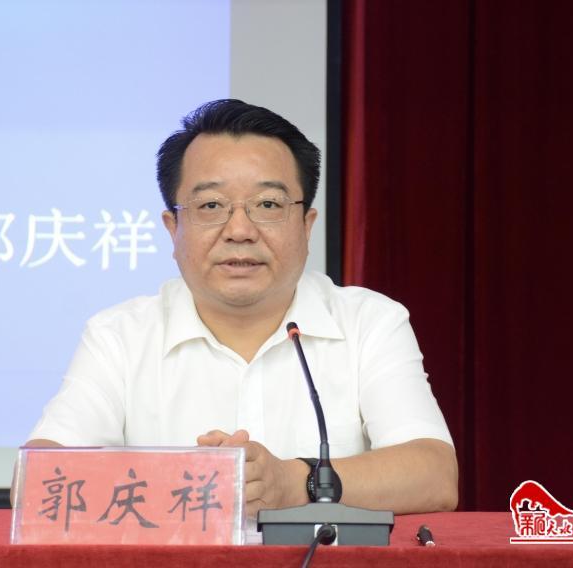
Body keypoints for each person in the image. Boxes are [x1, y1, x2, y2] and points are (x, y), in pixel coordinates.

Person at [24, 99, 458, 516]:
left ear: (306, 225)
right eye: (211, 206)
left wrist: (294, 481)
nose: (239, 230)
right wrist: (192, 483)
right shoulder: (119, 336)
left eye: (267, 205)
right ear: (173, 228)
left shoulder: (370, 323)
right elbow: (36, 481)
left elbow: (434, 475)